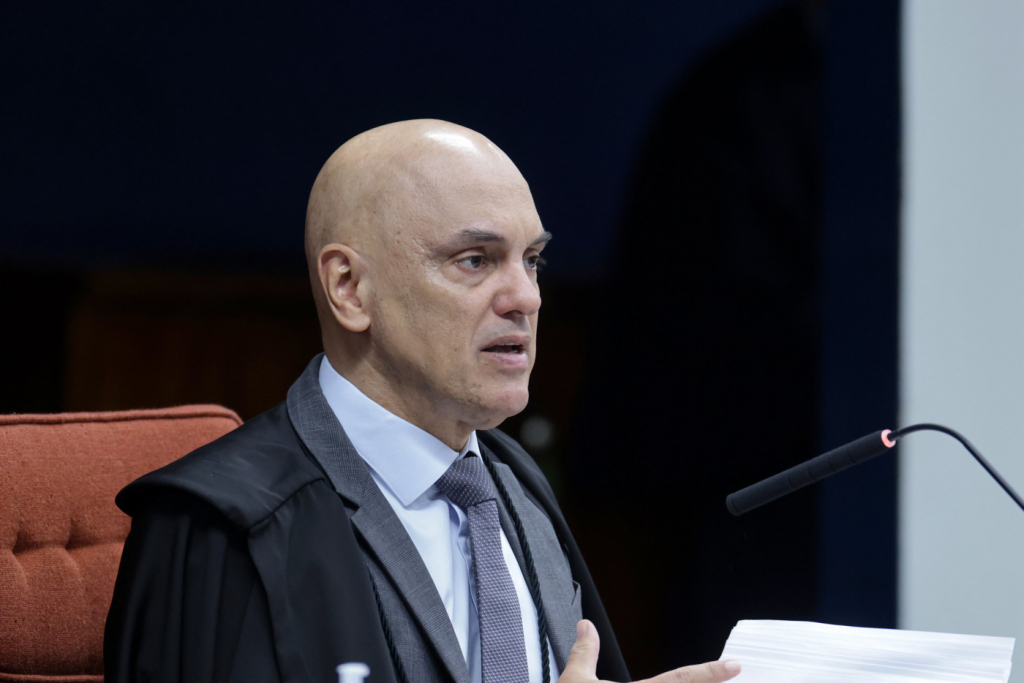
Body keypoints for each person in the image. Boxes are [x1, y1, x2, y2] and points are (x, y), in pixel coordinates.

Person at [103, 120, 743, 683]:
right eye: (475, 260)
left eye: (532, 261)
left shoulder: (515, 484)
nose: (526, 298)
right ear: (350, 288)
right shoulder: (222, 526)